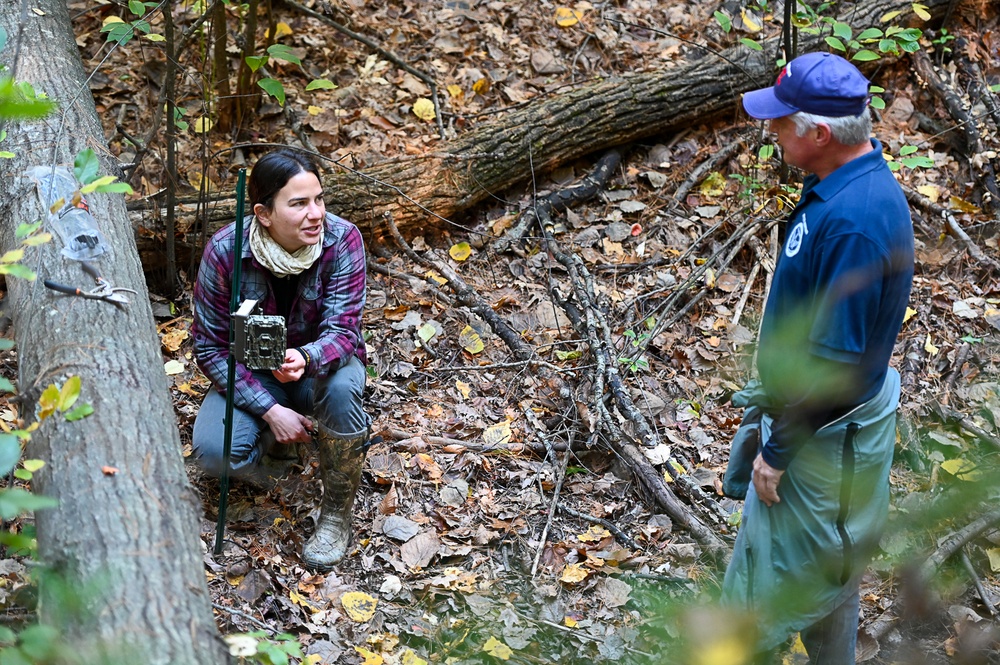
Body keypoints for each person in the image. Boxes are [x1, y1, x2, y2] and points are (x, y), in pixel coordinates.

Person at [721, 52, 914, 663]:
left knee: (772, 596)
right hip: (817, 422)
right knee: (830, 573)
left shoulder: (856, 221)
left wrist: (777, 454)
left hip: (824, 437)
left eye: (780, 124)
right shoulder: (840, 182)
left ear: (820, 134)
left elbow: (836, 369)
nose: (771, 132)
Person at [191, 148, 371, 571]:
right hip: (254, 377)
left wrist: (306, 357)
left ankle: (336, 514)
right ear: (263, 213)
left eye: (319, 199)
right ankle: (277, 440)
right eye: (298, 204)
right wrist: (269, 410)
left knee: (343, 389)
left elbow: (344, 332)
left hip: (321, 371)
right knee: (215, 455)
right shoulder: (226, 251)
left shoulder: (342, 240)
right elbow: (209, 347)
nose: (316, 214)